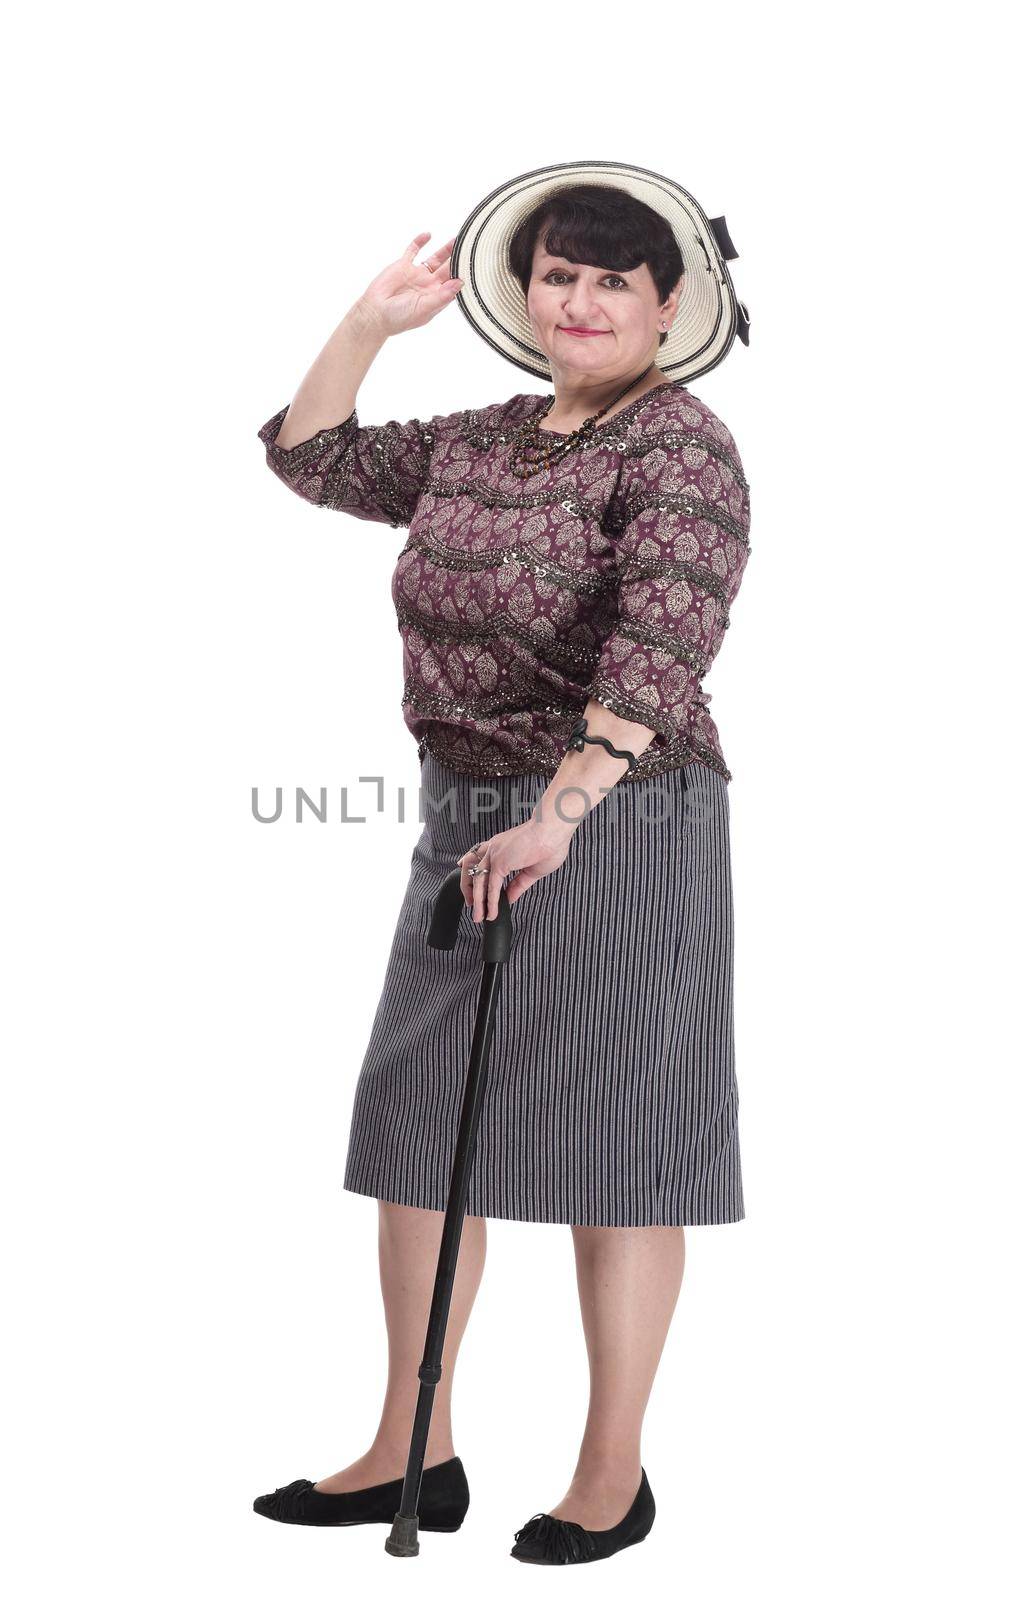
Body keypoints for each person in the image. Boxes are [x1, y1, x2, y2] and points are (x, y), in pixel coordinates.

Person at [251, 166, 751, 1566]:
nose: (578, 301)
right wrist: (365, 323)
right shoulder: (483, 438)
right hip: (467, 806)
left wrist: (568, 808)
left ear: (668, 306)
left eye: (611, 281)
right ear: (522, 295)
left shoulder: (682, 451)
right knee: (417, 1125)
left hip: (622, 817)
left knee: (619, 1145)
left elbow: (664, 637)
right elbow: (312, 459)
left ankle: (611, 1475)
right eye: (555, 276)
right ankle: (414, 1447)